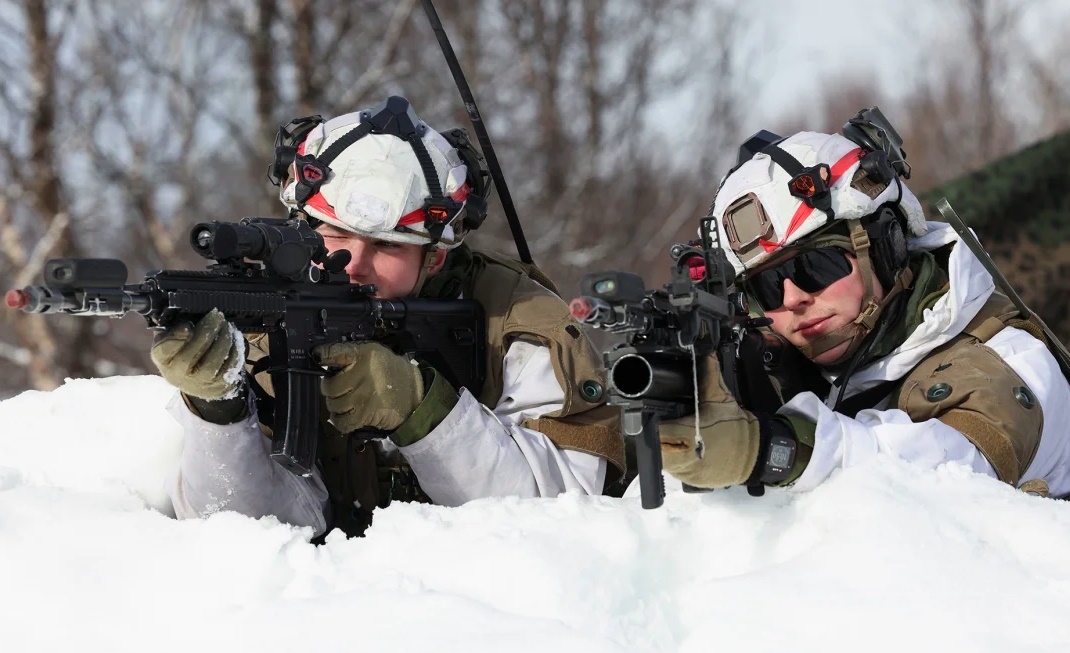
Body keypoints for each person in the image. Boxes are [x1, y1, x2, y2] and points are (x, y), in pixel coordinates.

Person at [151, 96, 624, 538]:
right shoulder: (275, 318)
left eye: (388, 246)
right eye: (335, 235)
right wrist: (220, 411)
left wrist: (421, 409)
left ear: (435, 257)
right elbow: (242, 529)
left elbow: (563, 516)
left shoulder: (518, 319)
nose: (354, 265)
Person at [657, 110, 1070, 498]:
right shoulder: (813, 365)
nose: (792, 298)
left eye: (815, 266)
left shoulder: (1011, 361)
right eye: (766, 287)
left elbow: (946, 473)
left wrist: (769, 448)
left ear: (886, 246)